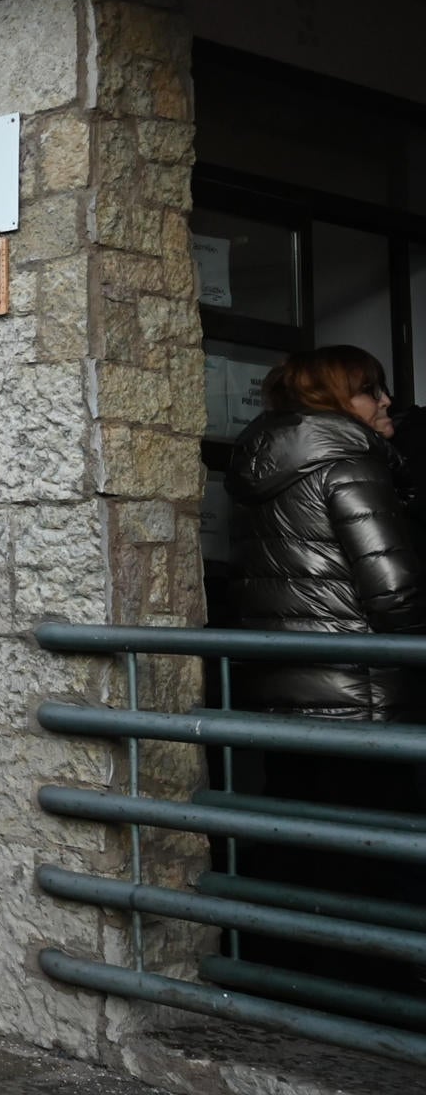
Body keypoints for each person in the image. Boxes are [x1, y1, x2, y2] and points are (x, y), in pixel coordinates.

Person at [225, 345, 426, 982]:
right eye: (371, 390)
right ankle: (381, 990)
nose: (386, 401)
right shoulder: (349, 464)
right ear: (339, 401)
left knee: (307, 840)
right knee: (378, 849)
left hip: (283, 693)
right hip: (362, 692)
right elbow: (395, 594)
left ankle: (308, 980)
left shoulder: (264, 464)